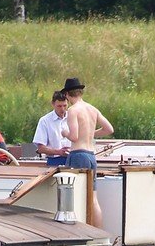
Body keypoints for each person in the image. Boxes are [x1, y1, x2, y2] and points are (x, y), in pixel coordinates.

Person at [59, 77, 114, 228]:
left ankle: (78, 230)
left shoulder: (73, 110)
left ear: (68, 96)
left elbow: (74, 136)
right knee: (93, 198)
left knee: (75, 196)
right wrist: (91, 133)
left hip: (78, 154)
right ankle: (99, 234)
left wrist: (64, 133)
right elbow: (109, 129)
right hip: (91, 155)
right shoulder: (92, 109)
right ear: (80, 92)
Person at [33, 91, 71, 166]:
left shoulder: (73, 117)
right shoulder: (45, 121)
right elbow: (41, 148)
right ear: (53, 104)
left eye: (65, 105)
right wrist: (58, 152)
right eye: (59, 106)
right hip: (54, 160)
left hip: (73, 159)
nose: (62, 109)